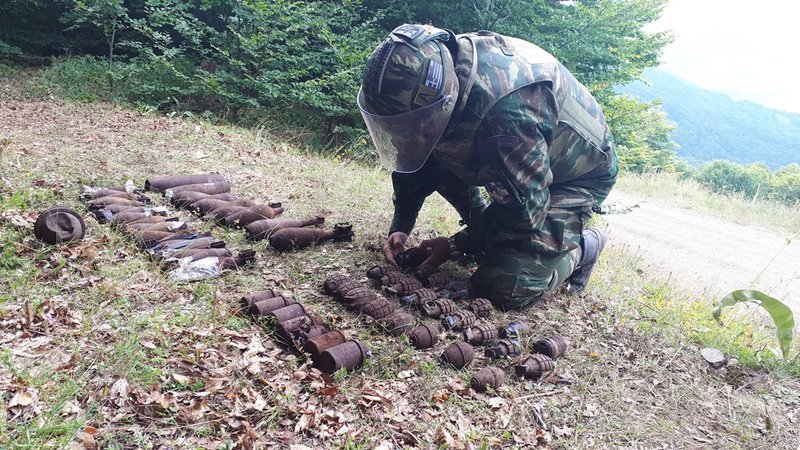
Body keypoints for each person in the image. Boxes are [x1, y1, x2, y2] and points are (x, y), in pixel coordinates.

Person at [357, 24, 618, 310]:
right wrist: (402, 223)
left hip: (577, 176)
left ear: (443, 103)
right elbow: (414, 150)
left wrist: (456, 245)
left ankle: (585, 247)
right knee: (439, 153)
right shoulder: (440, 68)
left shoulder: (508, 121)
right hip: (518, 163)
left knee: (504, 289)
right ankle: (486, 235)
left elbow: (524, 214)